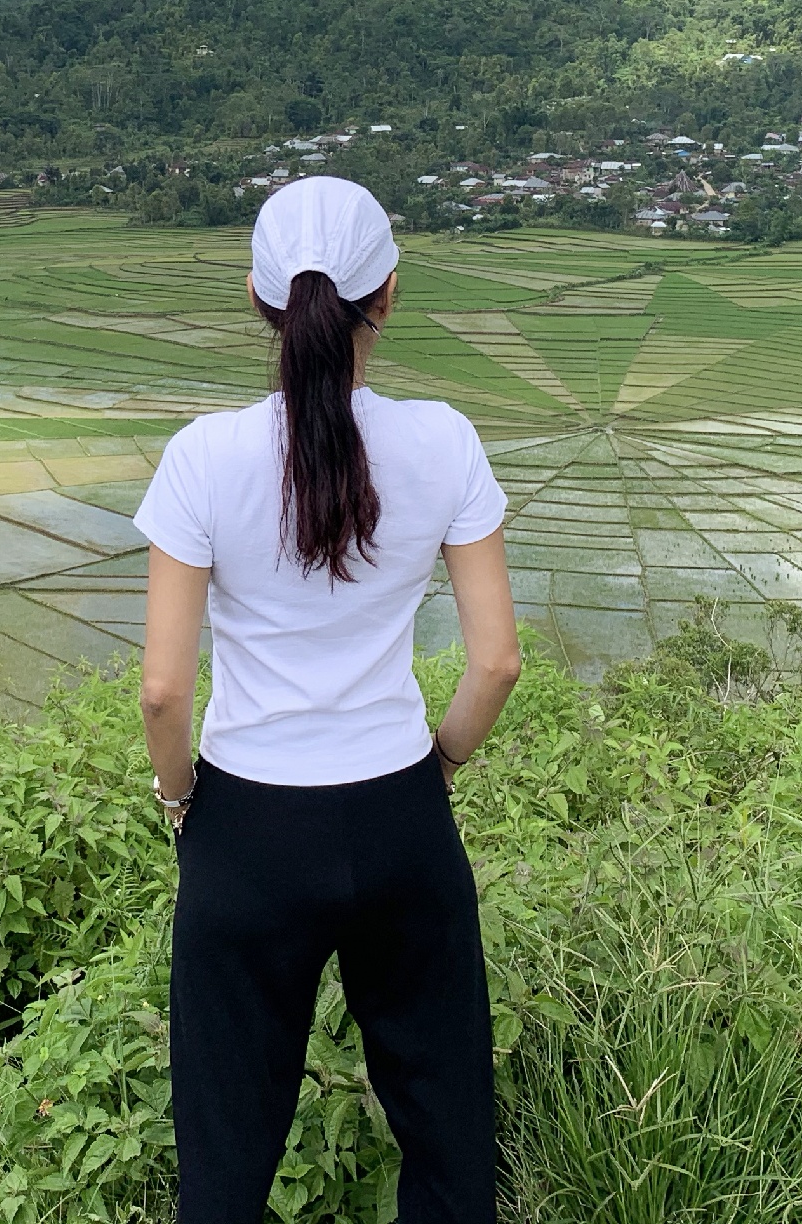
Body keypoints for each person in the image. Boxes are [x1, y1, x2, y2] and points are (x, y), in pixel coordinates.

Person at [133, 175, 521, 1224]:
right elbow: (494, 664)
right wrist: (437, 766)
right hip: (399, 812)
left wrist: (181, 807)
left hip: (247, 823)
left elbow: (165, 689)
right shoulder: (444, 441)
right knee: (445, 1123)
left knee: (226, 1139)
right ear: (386, 294)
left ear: (259, 297)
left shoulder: (201, 459)